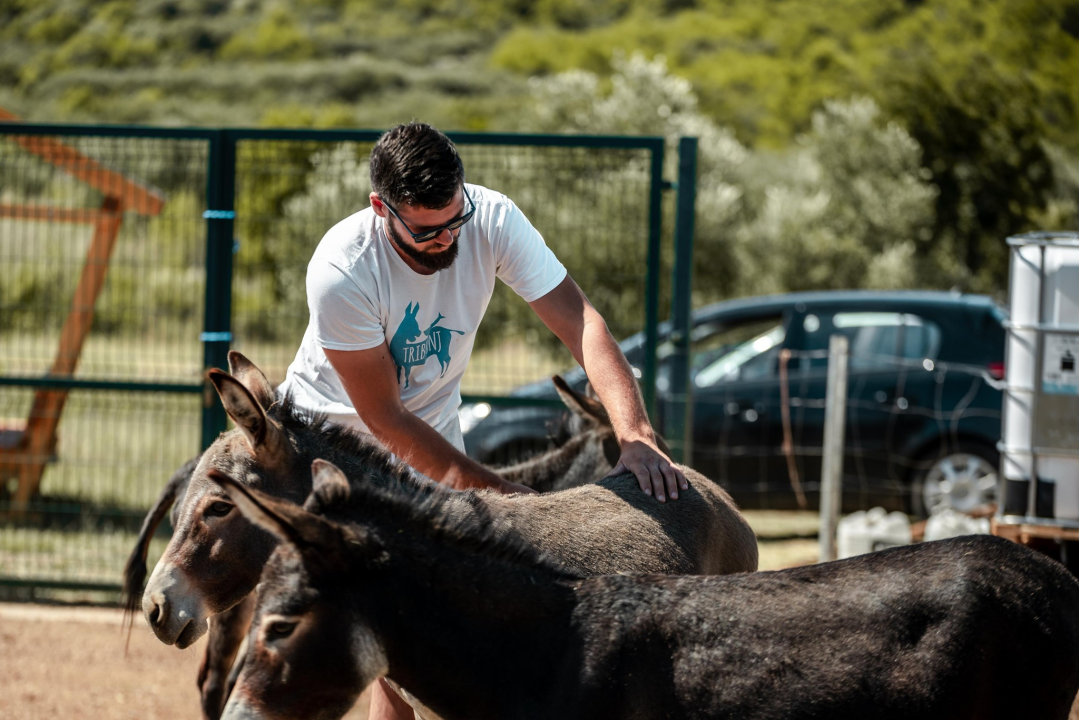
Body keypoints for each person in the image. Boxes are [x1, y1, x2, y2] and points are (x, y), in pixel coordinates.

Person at [280, 121, 687, 720]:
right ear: (380, 208)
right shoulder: (342, 269)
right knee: (319, 638)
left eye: (454, 219)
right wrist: (498, 494)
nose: (446, 239)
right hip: (330, 442)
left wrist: (636, 433)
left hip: (431, 430)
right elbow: (384, 416)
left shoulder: (491, 218)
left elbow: (581, 322)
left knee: (418, 630)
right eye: (425, 229)